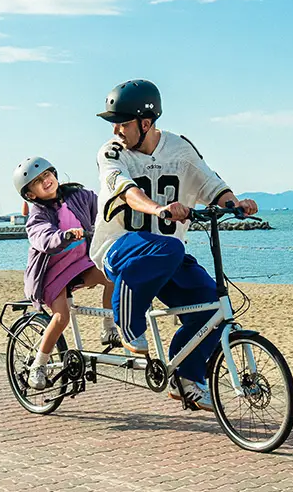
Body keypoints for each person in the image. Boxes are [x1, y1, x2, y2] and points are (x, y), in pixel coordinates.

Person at [89, 80, 258, 410]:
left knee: (212, 308)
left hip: (166, 255)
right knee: (171, 248)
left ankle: (186, 379)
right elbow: (125, 190)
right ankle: (128, 321)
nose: (116, 129)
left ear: (146, 123)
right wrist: (159, 208)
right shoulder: (111, 152)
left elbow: (209, 183)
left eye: (122, 122)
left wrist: (234, 203)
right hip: (120, 247)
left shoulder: (180, 148)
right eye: (114, 122)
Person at [14, 156, 120, 389]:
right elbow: (43, 238)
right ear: (30, 194)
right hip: (51, 272)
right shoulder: (37, 216)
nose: (46, 181)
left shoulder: (78, 195)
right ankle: (38, 365)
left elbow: (102, 205)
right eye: (38, 182)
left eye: (47, 175)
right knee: (61, 317)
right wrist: (65, 235)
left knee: (113, 273)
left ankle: (108, 327)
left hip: (80, 263)